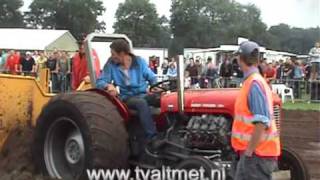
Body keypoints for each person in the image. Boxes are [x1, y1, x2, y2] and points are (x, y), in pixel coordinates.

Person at [231, 41, 280, 180]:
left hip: (256, 156)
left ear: (241, 59)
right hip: (259, 154)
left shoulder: (253, 84)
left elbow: (261, 122)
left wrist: (249, 152)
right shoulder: (255, 81)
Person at [96, 39, 159, 144]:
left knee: (161, 100)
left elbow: (151, 77)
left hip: (143, 94)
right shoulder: (111, 64)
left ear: (122, 54)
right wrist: (108, 85)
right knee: (141, 103)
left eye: (113, 53)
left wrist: (156, 86)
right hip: (127, 97)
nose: (112, 56)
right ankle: (152, 137)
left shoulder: (139, 61)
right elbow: (100, 81)